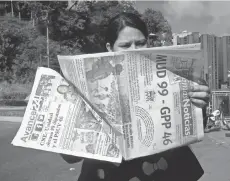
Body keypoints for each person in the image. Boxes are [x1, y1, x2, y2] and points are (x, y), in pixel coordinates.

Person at [61, 12, 210, 181]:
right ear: (110, 48)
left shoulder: (171, 75)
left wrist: (200, 105)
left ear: (149, 43)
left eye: (140, 43)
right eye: (125, 45)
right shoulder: (88, 85)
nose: (134, 50)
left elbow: (194, 130)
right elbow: (70, 157)